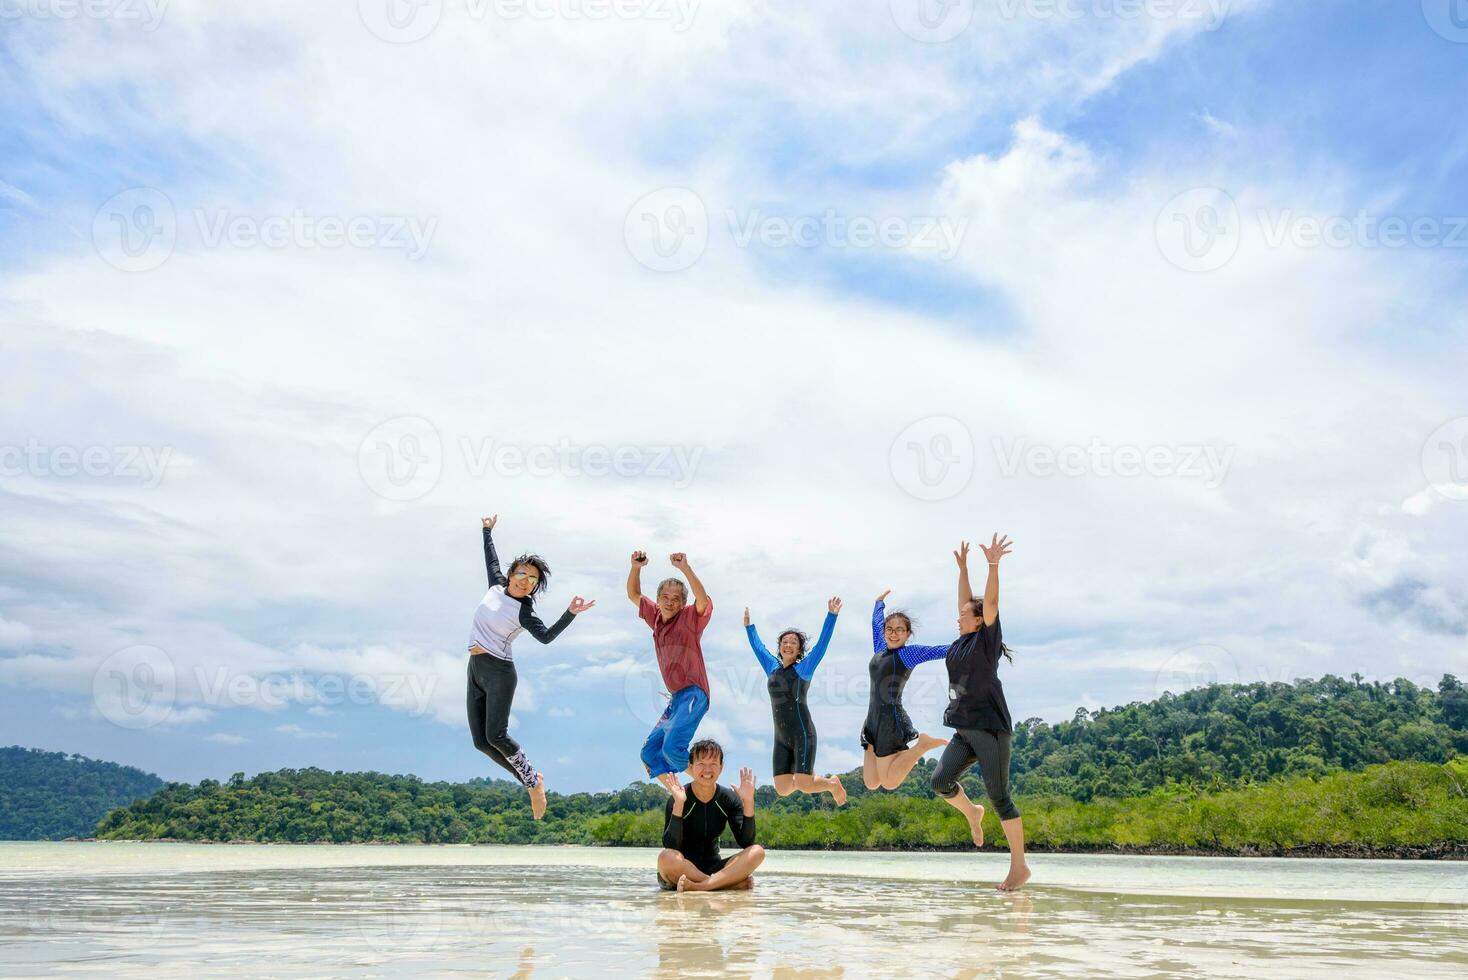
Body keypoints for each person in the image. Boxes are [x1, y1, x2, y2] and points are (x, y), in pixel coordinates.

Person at [467, 514, 595, 819]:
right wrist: (486, 531)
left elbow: (547, 637)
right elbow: (491, 560)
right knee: (481, 743)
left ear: (535, 586)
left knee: (496, 735)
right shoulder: (496, 586)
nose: (525, 580)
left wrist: (570, 613)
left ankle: (532, 781)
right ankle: (530, 781)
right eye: (522, 574)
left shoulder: (524, 612)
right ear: (512, 574)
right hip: (475, 668)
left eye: (533, 579)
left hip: (499, 672)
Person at [930, 534, 1031, 892]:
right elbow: (966, 600)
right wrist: (961, 568)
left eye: (965, 615)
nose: (959, 616)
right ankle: (972, 813)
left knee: (1000, 797)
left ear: (979, 621)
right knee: (940, 782)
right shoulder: (960, 642)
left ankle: (1019, 867)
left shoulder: (984, 640)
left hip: (989, 729)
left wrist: (992, 565)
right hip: (964, 729)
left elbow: (989, 601)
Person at [744, 599, 847, 804]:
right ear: (780, 647)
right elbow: (759, 648)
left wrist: (831, 616)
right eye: (784, 642)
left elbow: (821, 646)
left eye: (793, 642)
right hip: (781, 737)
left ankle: (831, 783)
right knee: (782, 789)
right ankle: (808, 775)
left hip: (803, 733)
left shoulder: (804, 669)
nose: (788, 645)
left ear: (799, 650)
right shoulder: (772, 668)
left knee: (803, 785)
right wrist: (749, 627)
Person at [628, 550, 713, 794]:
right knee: (649, 752)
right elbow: (633, 594)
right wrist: (636, 568)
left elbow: (702, 601)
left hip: (694, 693)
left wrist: (685, 568)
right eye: (664, 597)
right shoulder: (654, 616)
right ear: (658, 599)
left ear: (683, 603)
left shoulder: (689, 618)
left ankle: (707, 785)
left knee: (671, 748)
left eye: (676, 598)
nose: (669, 602)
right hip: (676, 700)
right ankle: (679, 792)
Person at [861, 591, 951, 791]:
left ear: (908, 634)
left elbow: (940, 650)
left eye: (899, 630)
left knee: (890, 782)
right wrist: (878, 603)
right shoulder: (880, 648)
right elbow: (876, 625)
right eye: (890, 629)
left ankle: (922, 746)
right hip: (872, 721)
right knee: (872, 782)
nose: (893, 633)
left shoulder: (908, 654)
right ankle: (901, 753)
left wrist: (973, 642)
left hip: (891, 721)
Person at [656, 739, 765, 892]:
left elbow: (746, 842)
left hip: (715, 867)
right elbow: (671, 846)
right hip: (683, 869)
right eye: (701, 764)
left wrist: (748, 802)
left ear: (721, 768)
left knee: (757, 851)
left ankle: (700, 886)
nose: (707, 770)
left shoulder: (728, 799)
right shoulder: (678, 797)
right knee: (665, 858)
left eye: (713, 764)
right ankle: (722, 884)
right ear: (691, 766)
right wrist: (679, 804)